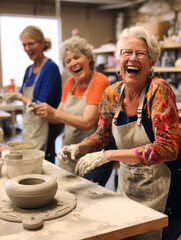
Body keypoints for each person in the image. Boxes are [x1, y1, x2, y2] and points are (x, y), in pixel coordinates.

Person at [58, 25, 181, 240]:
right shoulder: (112, 94)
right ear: (119, 59)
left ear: (151, 61)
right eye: (127, 52)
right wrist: (80, 147)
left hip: (165, 189)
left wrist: (108, 155)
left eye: (140, 53)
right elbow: (103, 135)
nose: (132, 58)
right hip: (129, 185)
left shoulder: (158, 91)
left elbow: (168, 148)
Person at [34, 36, 114, 187]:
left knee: (87, 199)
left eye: (77, 57)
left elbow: (87, 122)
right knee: (65, 195)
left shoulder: (100, 80)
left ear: (89, 58)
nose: (73, 63)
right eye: (68, 61)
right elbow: (57, 117)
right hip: (69, 151)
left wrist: (54, 113)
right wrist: (42, 111)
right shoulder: (70, 83)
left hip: (92, 156)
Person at [3, 25, 62, 164]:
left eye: (31, 44)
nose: (27, 49)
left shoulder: (50, 68)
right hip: (30, 127)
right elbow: (26, 98)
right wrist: (16, 94)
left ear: (42, 43)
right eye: (24, 45)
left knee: (43, 164)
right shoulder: (28, 70)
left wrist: (18, 96)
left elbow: (41, 104)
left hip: (45, 127)